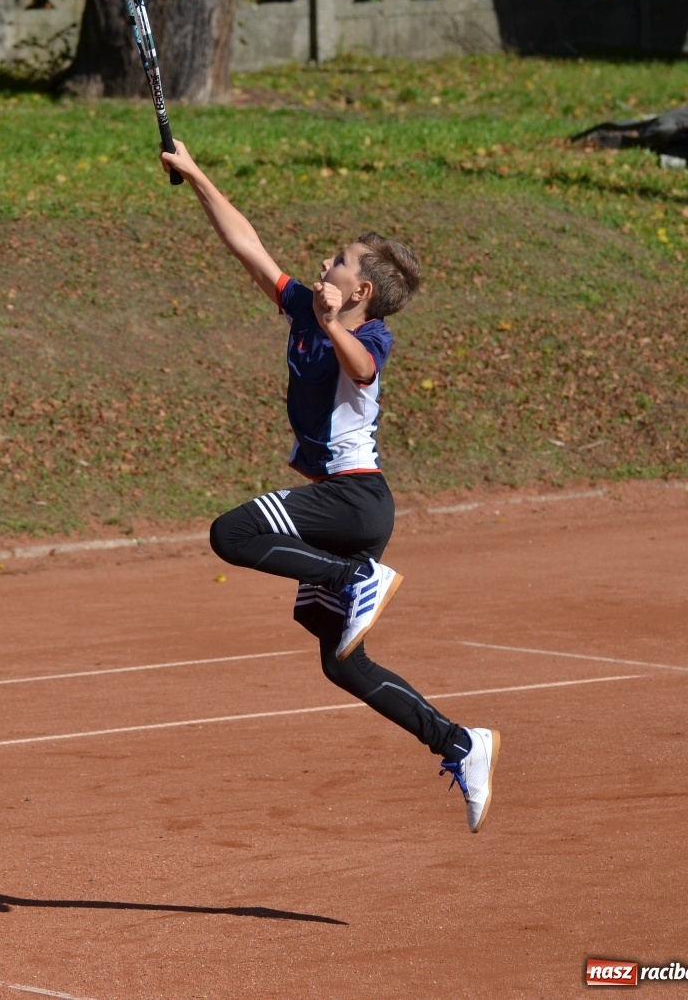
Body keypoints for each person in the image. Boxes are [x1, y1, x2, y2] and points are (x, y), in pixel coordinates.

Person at [159, 140, 500, 833]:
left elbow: (363, 372)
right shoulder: (304, 312)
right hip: (342, 512)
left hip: (353, 503)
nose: (325, 262)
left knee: (233, 533)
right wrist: (196, 173)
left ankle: (353, 579)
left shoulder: (367, 338)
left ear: (361, 292)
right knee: (341, 664)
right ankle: (459, 742)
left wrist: (328, 321)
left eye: (339, 261)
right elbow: (247, 246)